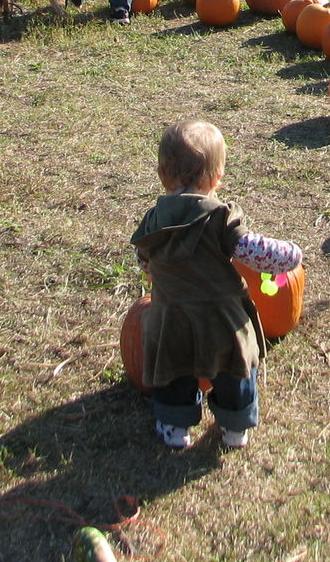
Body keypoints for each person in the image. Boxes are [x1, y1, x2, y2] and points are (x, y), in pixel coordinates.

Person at [132, 120, 303, 449]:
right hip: (221, 320)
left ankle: (173, 426)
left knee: (174, 372)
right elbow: (252, 251)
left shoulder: (154, 218)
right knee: (235, 372)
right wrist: (289, 255)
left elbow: (144, 254)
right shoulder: (220, 217)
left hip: (171, 316)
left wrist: (151, 272)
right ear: (216, 178)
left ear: (161, 173)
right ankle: (235, 427)